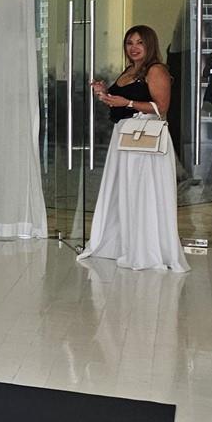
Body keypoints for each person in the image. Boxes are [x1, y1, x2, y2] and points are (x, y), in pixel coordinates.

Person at [78, 25, 189, 272]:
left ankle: (147, 249)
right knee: (125, 192)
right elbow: (120, 104)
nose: (134, 48)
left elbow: (161, 107)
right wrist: (105, 94)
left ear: (150, 45)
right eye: (130, 43)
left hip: (143, 138)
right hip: (125, 136)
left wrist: (126, 101)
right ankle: (124, 244)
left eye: (140, 42)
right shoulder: (130, 70)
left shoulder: (156, 70)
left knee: (143, 192)